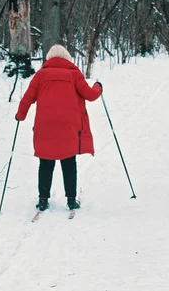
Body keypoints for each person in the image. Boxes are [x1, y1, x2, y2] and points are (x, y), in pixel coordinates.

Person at [15, 44, 103, 211]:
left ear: (49, 58)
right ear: (66, 58)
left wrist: (20, 115)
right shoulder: (74, 74)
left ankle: (43, 200)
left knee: (46, 163)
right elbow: (90, 95)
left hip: (44, 126)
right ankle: (71, 200)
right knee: (69, 162)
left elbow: (27, 98)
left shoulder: (40, 75)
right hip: (68, 127)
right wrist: (98, 87)